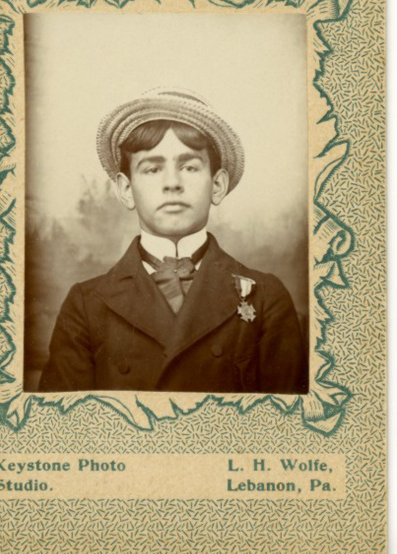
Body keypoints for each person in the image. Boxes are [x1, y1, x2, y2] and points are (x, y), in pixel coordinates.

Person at [38, 88, 308, 394]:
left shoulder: (266, 297)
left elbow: (289, 428)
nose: (172, 184)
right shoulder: (87, 304)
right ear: (126, 190)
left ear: (216, 185)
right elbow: (63, 426)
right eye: (152, 169)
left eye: (189, 167)